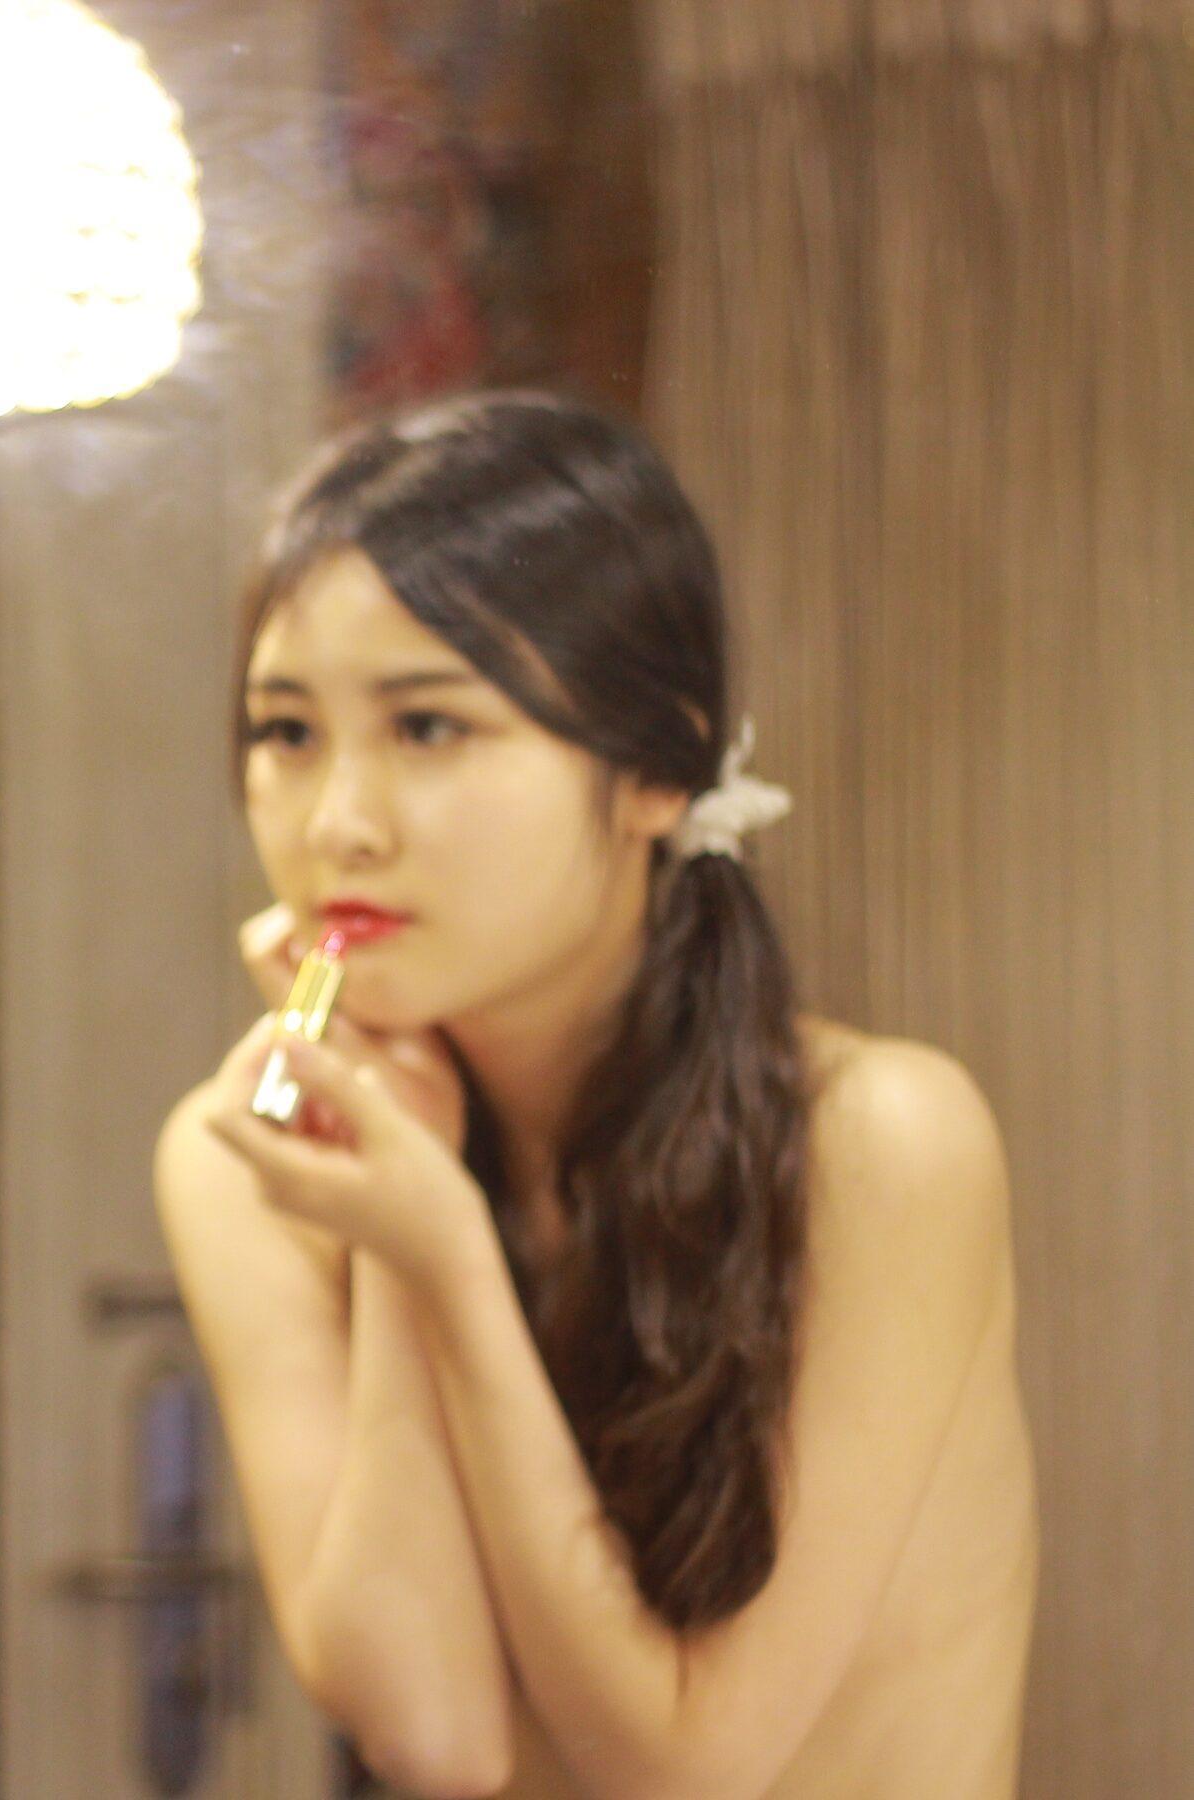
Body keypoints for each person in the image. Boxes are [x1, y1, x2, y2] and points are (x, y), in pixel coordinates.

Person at [156, 391, 1035, 1798]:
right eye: (286, 732)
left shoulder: (884, 1143)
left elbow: (689, 1762)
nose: (337, 824)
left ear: (656, 772)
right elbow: (432, 1733)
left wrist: (445, 1254)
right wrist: (397, 1228)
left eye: (428, 726)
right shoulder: (242, 1164)